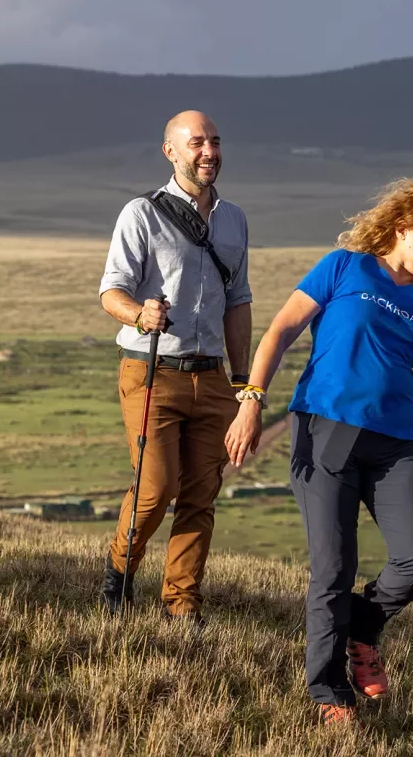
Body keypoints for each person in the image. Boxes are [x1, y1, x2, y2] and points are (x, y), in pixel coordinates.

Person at [223, 178, 413, 726]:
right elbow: (282, 330)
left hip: (396, 442)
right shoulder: (345, 267)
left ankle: (361, 629)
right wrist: (251, 399)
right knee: (333, 568)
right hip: (327, 429)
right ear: (400, 226)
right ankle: (327, 689)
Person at [98, 110, 253, 623]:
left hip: (211, 376)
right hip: (153, 369)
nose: (208, 151)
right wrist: (140, 314)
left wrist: (242, 381)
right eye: (196, 143)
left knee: (200, 494)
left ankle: (181, 602)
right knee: (155, 488)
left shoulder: (233, 219)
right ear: (170, 151)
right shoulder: (140, 213)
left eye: (214, 141)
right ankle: (118, 579)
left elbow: (238, 301)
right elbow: (111, 291)